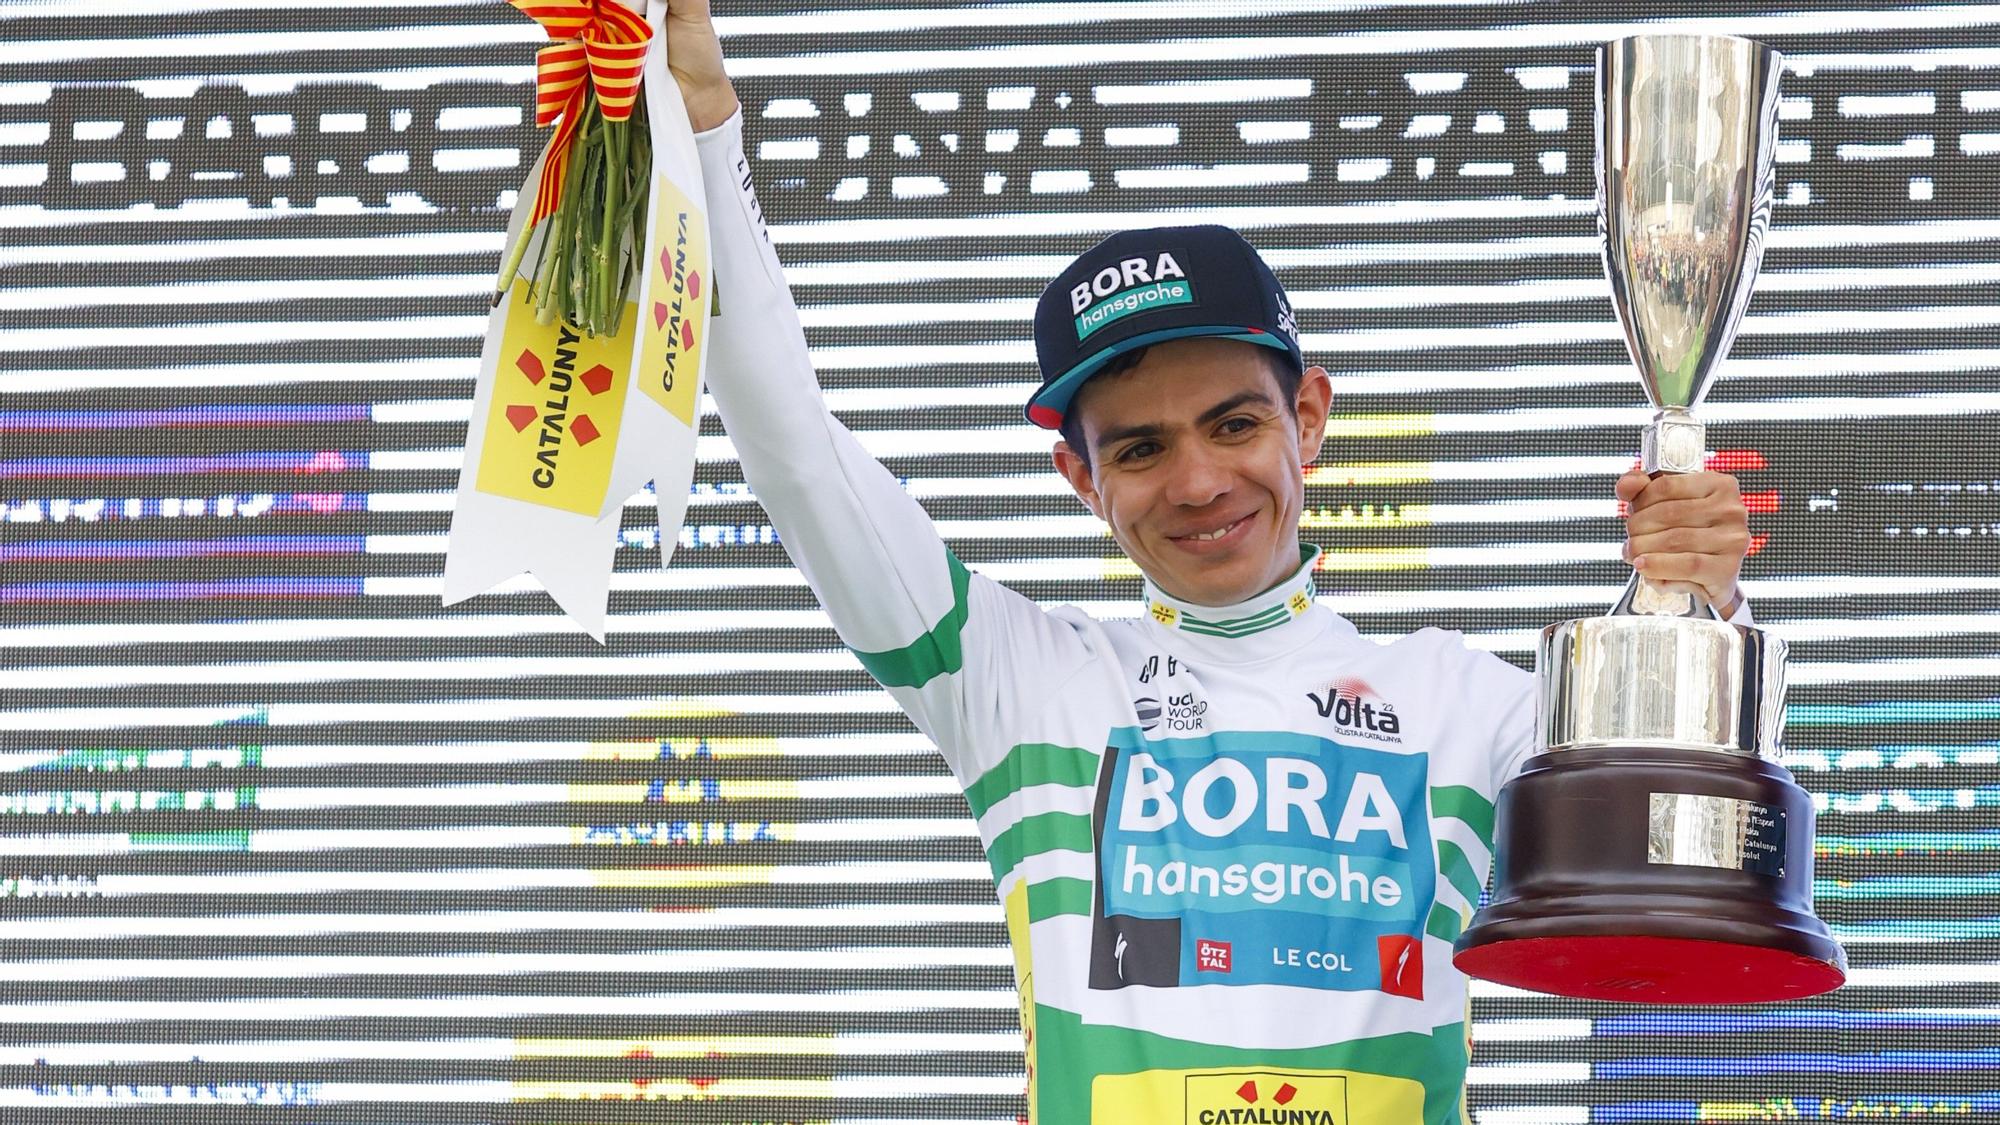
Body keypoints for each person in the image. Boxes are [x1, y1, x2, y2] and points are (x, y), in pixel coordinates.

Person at [661, 2, 1754, 1120]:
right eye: (1139, 448)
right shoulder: (1012, 681)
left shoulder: (1469, 705)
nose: (1194, 483)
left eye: (1232, 425)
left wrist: (1695, 600)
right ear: (1082, 480)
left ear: (1309, 419)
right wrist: (702, 116)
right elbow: (790, 442)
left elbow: (1689, 837)